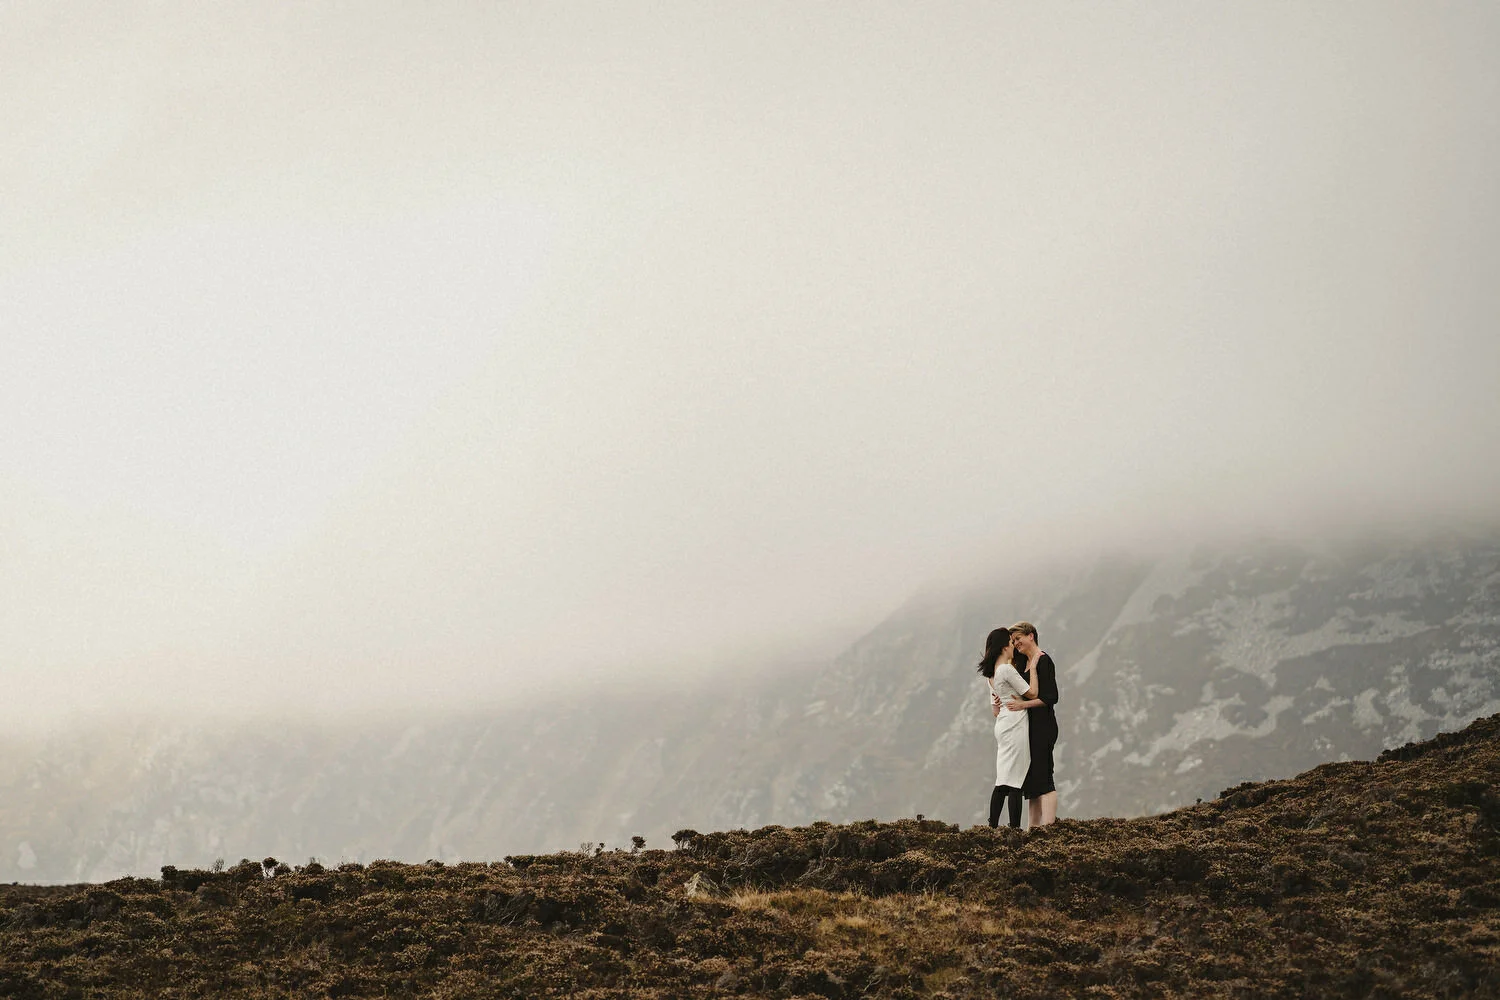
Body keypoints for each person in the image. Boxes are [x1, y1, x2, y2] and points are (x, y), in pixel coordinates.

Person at [976, 627, 1036, 828]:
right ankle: (1014, 828)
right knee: (1016, 779)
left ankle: (992, 825)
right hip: (1015, 722)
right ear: (1004, 647)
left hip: (1002, 723)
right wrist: (1033, 666)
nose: (1014, 647)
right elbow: (1033, 693)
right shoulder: (1007, 670)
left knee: (1003, 777)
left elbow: (995, 709)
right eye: (1011, 643)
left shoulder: (991, 675)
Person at [1002, 621, 1059, 827]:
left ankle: (1049, 828)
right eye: (1013, 641)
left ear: (1031, 635)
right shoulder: (1021, 664)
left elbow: (1050, 697)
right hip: (1027, 729)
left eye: (1019, 638)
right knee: (1032, 783)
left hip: (1043, 727)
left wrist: (1023, 705)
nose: (1016, 643)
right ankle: (1033, 829)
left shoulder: (1044, 661)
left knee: (1044, 778)